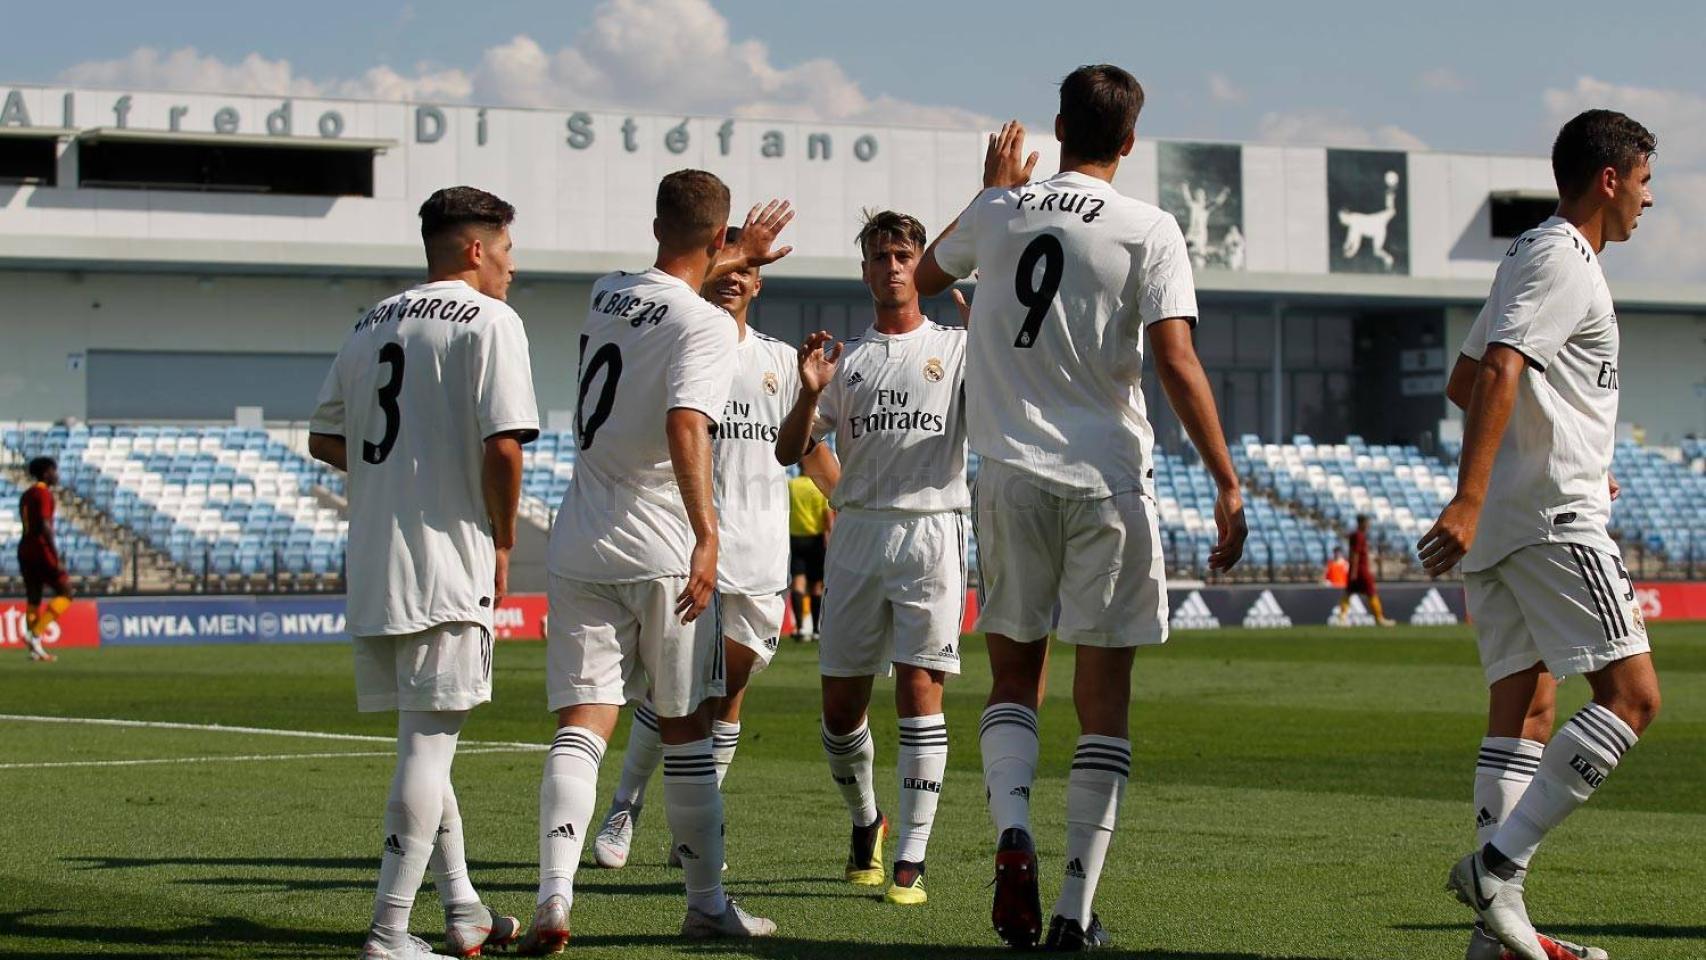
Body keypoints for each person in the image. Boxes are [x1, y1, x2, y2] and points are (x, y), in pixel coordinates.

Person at [916, 65, 1247, 951]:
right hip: (1106, 481)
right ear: (1130, 142)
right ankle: (1071, 910)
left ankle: (1011, 829)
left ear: (1059, 127)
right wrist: (1224, 477)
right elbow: (1175, 361)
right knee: (1104, 702)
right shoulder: (1150, 227)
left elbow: (920, 273)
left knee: (1015, 678)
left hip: (1008, 476)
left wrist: (994, 190)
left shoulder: (1000, 210)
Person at [518, 172, 794, 950]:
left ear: (653, 225)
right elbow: (685, 425)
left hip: (581, 538)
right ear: (717, 242)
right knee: (686, 731)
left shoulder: (607, 292)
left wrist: (734, 248)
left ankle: (555, 896)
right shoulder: (705, 327)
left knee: (583, 722)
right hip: (661, 546)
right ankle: (706, 904)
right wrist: (708, 533)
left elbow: (678, 270)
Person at [1420, 109, 1658, 960]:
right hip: (1551, 518)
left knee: (1526, 709)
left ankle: (1492, 939)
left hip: (1520, 518)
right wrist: (1470, 495)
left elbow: (1465, 378)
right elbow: (1500, 370)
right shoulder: (1564, 257)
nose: (1649, 198)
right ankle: (1497, 866)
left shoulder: (1530, 252)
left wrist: (1561, 452)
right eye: (1643, 179)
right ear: (1608, 178)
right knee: (1633, 699)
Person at [309, 186, 539, 960]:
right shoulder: (491, 321)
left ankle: (464, 909)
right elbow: (505, 447)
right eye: (507, 251)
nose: (512, 267)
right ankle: (389, 932)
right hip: (448, 562)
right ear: (476, 249)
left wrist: (397, 471)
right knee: (427, 751)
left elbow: (324, 438)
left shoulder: (370, 320)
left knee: (423, 743)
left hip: (375, 560)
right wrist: (505, 541)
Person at [592, 227, 840, 871]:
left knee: (726, 695)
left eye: (747, 271)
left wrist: (861, 502)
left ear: (758, 283)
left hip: (759, 555)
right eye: (727, 265)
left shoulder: (782, 361)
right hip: (690, 545)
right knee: (681, 691)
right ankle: (627, 807)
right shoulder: (677, 341)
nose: (735, 278)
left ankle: (689, 832)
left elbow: (804, 450)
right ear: (707, 270)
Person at [776, 209, 967, 907]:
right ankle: (867, 821)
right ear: (864, 271)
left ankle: (912, 857)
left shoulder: (958, 347)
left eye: (903, 254)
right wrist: (807, 393)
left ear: (920, 265)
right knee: (839, 710)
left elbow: (1009, 408)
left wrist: (997, 347)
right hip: (855, 536)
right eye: (880, 256)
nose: (892, 265)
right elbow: (789, 447)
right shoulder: (843, 359)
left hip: (930, 531)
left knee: (920, 691)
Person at [17, 456, 70, 661]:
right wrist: (54, 553)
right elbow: (45, 525)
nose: (56, 475)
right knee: (66, 592)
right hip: (40, 549)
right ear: (46, 472)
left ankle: (35, 650)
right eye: (54, 471)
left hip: (25, 549)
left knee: (33, 596)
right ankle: (35, 633)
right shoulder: (43, 494)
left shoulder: (26, 494)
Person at [787, 470, 832, 640]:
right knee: (816, 585)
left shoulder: (791, 485)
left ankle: (799, 629)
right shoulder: (818, 486)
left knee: (798, 582)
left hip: (796, 538)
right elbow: (827, 515)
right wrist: (829, 535)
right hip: (816, 539)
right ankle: (815, 629)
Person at [1338, 515, 1395, 626]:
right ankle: (1379, 618)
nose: (1368, 525)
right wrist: (1354, 571)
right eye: (1367, 523)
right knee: (1371, 592)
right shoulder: (1359, 536)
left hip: (1356, 569)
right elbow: (1355, 554)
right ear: (1361, 523)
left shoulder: (1356, 535)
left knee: (1348, 592)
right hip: (1360, 570)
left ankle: (1342, 618)